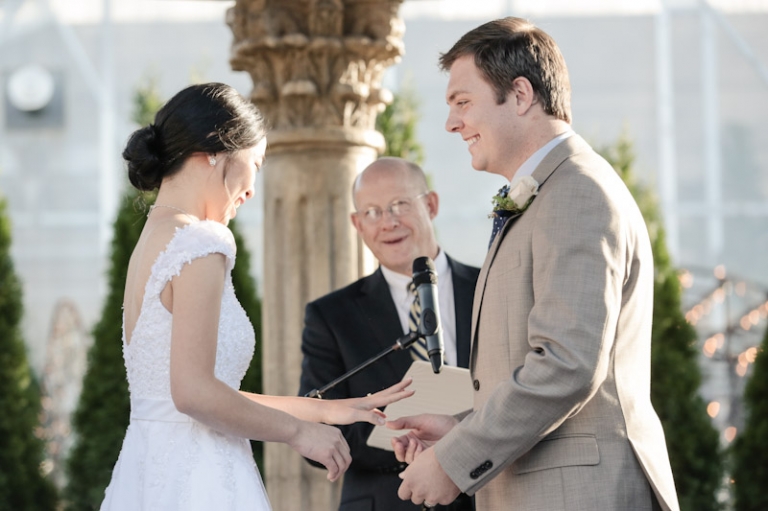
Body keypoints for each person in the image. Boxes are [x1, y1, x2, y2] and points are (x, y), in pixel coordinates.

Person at [386, 17, 681, 511]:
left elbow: (566, 364)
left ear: (520, 95)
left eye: (462, 102)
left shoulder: (577, 192)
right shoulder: (551, 191)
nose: (451, 123)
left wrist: (454, 460)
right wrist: (461, 429)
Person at [100, 83, 413, 511]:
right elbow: (193, 394)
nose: (250, 190)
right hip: (201, 479)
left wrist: (327, 411)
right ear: (215, 150)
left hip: (148, 471)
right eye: (257, 163)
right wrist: (298, 433)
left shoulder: (153, 240)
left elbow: (203, 394)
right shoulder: (202, 240)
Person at [298, 157, 480, 511]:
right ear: (357, 224)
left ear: (431, 205)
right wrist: (409, 440)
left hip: (489, 495)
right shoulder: (330, 316)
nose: (389, 222)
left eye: (400, 205)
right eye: (372, 212)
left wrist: (460, 443)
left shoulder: (490, 286)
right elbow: (315, 422)